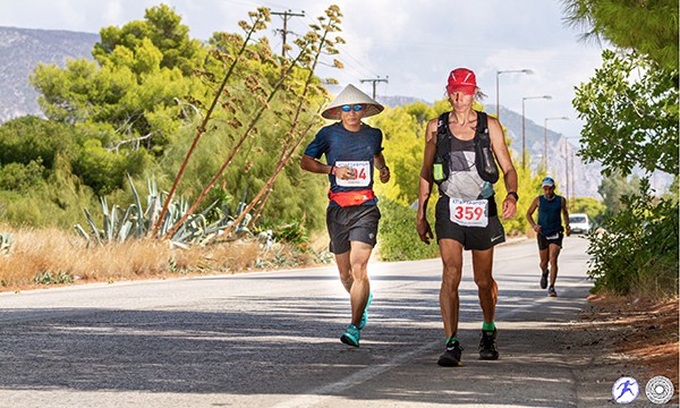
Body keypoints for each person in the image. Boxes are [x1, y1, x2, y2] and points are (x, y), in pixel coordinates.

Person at [416, 67, 518, 367]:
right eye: (454, 91)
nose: (459, 97)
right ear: (448, 92)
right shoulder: (436, 127)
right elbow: (425, 172)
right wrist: (421, 213)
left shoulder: (490, 126)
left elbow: (508, 169)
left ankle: (488, 329)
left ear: (474, 92)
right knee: (451, 273)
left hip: (481, 206)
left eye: (465, 91)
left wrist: (511, 194)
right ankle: (452, 342)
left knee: (483, 281)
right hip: (449, 206)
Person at [300, 84, 390, 348]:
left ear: (364, 111)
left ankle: (353, 326)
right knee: (345, 274)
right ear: (339, 111)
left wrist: (383, 169)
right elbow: (306, 161)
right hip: (338, 209)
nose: (352, 113)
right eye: (347, 108)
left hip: (366, 207)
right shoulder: (328, 135)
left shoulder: (373, 135)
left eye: (357, 108)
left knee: (359, 266)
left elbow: (376, 155)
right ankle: (361, 300)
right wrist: (332, 170)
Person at [525, 176, 570, 297]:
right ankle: (545, 272)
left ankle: (552, 287)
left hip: (556, 233)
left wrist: (567, 226)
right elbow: (528, 214)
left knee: (553, 259)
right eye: (545, 189)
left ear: (553, 188)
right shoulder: (538, 200)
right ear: (543, 189)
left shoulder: (561, 200)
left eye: (549, 189)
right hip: (543, 233)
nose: (548, 191)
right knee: (543, 262)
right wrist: (534, 226)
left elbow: (565, 212)